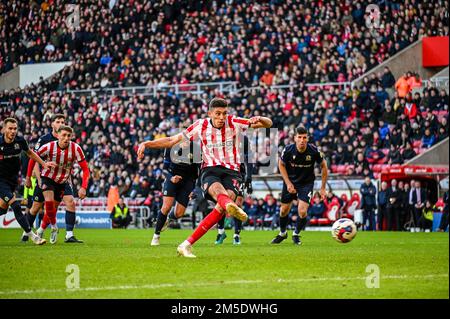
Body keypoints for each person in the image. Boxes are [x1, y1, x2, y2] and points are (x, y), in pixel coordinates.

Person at [138, 97, 272, 257]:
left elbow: (268, 124)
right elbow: (172, 140)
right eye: (218, 114)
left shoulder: (234, 121)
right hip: (210, 170)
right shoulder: (200, 125)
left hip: (232, 172)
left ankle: (186, 244)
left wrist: (261, 119)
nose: (222, 117)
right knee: (218, 192)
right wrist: (147, 144)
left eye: (224, 113)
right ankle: (230, 205)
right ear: (210, 113)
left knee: (222, 205)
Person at [22, 114, 84, 243]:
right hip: (45, 177)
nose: (61, 123)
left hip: (63, 179)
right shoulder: (45, 140)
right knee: (36, 206)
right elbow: (33, 157)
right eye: (58, 121)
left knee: (69, 202)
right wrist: (36, 178)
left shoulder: (70, 143)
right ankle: (27, 232)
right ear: (52, 124)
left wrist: (71, 179)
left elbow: (69, 162)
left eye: (63, 121)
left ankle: (68, 234)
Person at [271, 125, 328, 245]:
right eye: (300, 137)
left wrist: (323, 188)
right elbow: (281, 165)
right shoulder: (288, 150)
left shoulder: (313, 151)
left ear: (307, 138)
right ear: (295, 138)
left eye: (304, 137)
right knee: (283, 211)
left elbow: (324, 166)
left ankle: (296, 234)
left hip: (306, 183)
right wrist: (287, 183)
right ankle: (282, 233)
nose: (302, 140)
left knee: (302, 211)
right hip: (290, 182)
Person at [0, 118, 54, 245]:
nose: (13, 131)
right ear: (4, 129)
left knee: (3, 208)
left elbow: (31, 153)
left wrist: (43, 164)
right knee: (16, 206)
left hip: (12, 181)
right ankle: (33, 236)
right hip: (1, 181)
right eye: (10, 128)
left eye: (15, 128)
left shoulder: (20, 141)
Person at [150, 141, 200, 246]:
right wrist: (171, 178)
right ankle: (156, 236)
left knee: (179, 214)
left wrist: (195, 189)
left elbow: (198, 173)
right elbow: (164, 169)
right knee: (166, 207)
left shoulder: (195, 149)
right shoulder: (171, 147)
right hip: (172, 178)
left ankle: (168, 219)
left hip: (188, 181)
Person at [215, 135, 253, 245]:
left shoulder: (244, 139)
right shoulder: (221, 137)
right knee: (222, 204)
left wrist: (249, 178)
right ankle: (221, 231)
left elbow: (249, 158)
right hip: (223, 174)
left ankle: (236, 235)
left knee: (238, 203)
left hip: (238, 174)